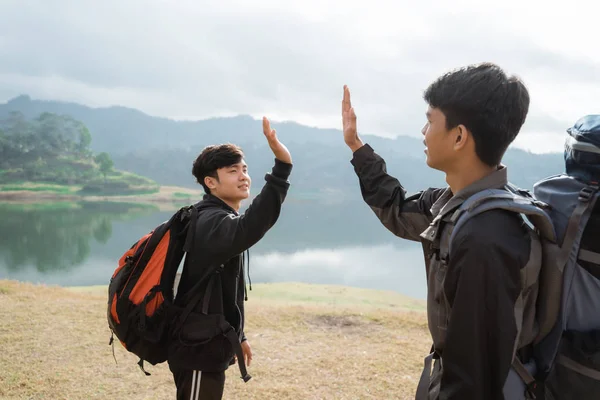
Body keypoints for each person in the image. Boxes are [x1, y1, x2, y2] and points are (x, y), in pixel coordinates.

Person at [341, 63, 535, 399]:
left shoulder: (485, 238)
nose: (423, 131)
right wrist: (358, 148)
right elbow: (396, 207)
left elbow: (472, 378)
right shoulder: (452, 206)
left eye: (430, 120)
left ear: (459, 136)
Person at [167, 117, 293, 400]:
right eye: (233, 170)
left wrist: (240, 335)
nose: (244, 176)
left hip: (207, 340)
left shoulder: (216, 217)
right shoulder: (211, 220)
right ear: (210, 182)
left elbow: (221, 288)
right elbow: (249, 228)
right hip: (197, 347)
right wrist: (281, 169)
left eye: (244, 169)